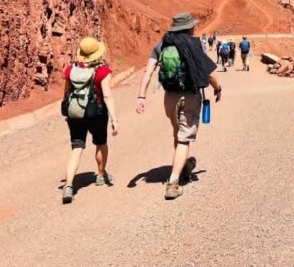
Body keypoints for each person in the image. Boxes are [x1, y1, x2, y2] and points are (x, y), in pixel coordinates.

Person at [136, 12, 221, 200]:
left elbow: (148, 71)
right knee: (184, 138)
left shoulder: (162, 44)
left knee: (178, 133)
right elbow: (207, 74)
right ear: (188, 28)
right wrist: (218, 88)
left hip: (169, 98)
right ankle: (173, 183)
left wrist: (141, 96)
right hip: (189, 96)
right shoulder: (194, 44)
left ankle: (183, 168)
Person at [61, 37, 119, 204]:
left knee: (76, 148)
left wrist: (70, 108)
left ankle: (68, 186)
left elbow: (66, 93)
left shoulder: (70, 69)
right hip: (97, 113)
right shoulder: (103, 71)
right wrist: (115, 119)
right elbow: (107, 95)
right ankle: (101, 175)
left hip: (75, 114)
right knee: (100, 143)